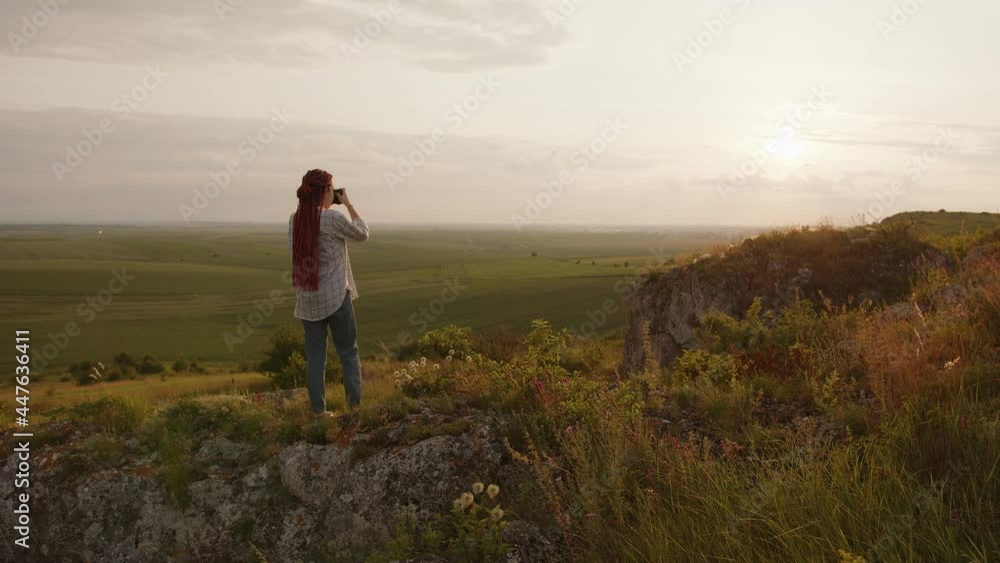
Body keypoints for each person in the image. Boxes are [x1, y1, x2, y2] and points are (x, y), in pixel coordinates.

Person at [288, 168, 369, 416]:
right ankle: (354, 409)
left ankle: (319, 413)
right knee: (348, 354)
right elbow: (362, 234)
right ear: (325, 192)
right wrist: (348, 204)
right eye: (332, 190)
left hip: (308, 299)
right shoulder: (332, 219)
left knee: (315, 360)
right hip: (336, 297)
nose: (334, 194)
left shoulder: (295, 218)